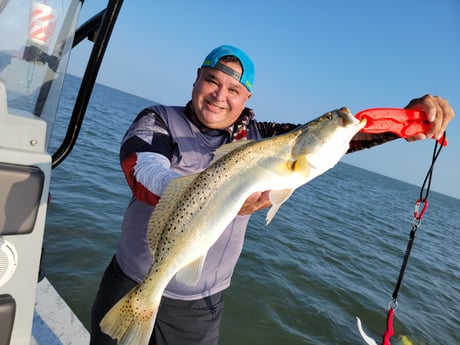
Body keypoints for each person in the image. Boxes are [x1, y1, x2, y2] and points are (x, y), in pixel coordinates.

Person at [90, 45, 454, 345]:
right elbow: (142, 168)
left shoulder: (263, 136)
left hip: (200, 304)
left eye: (233, 90)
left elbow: (337, 139)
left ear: (246, 96)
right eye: (211, 82)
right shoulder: (157, 119)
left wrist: (402, 121)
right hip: (134, 280)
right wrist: (198, 193)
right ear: (196, 79)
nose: (220, 96)